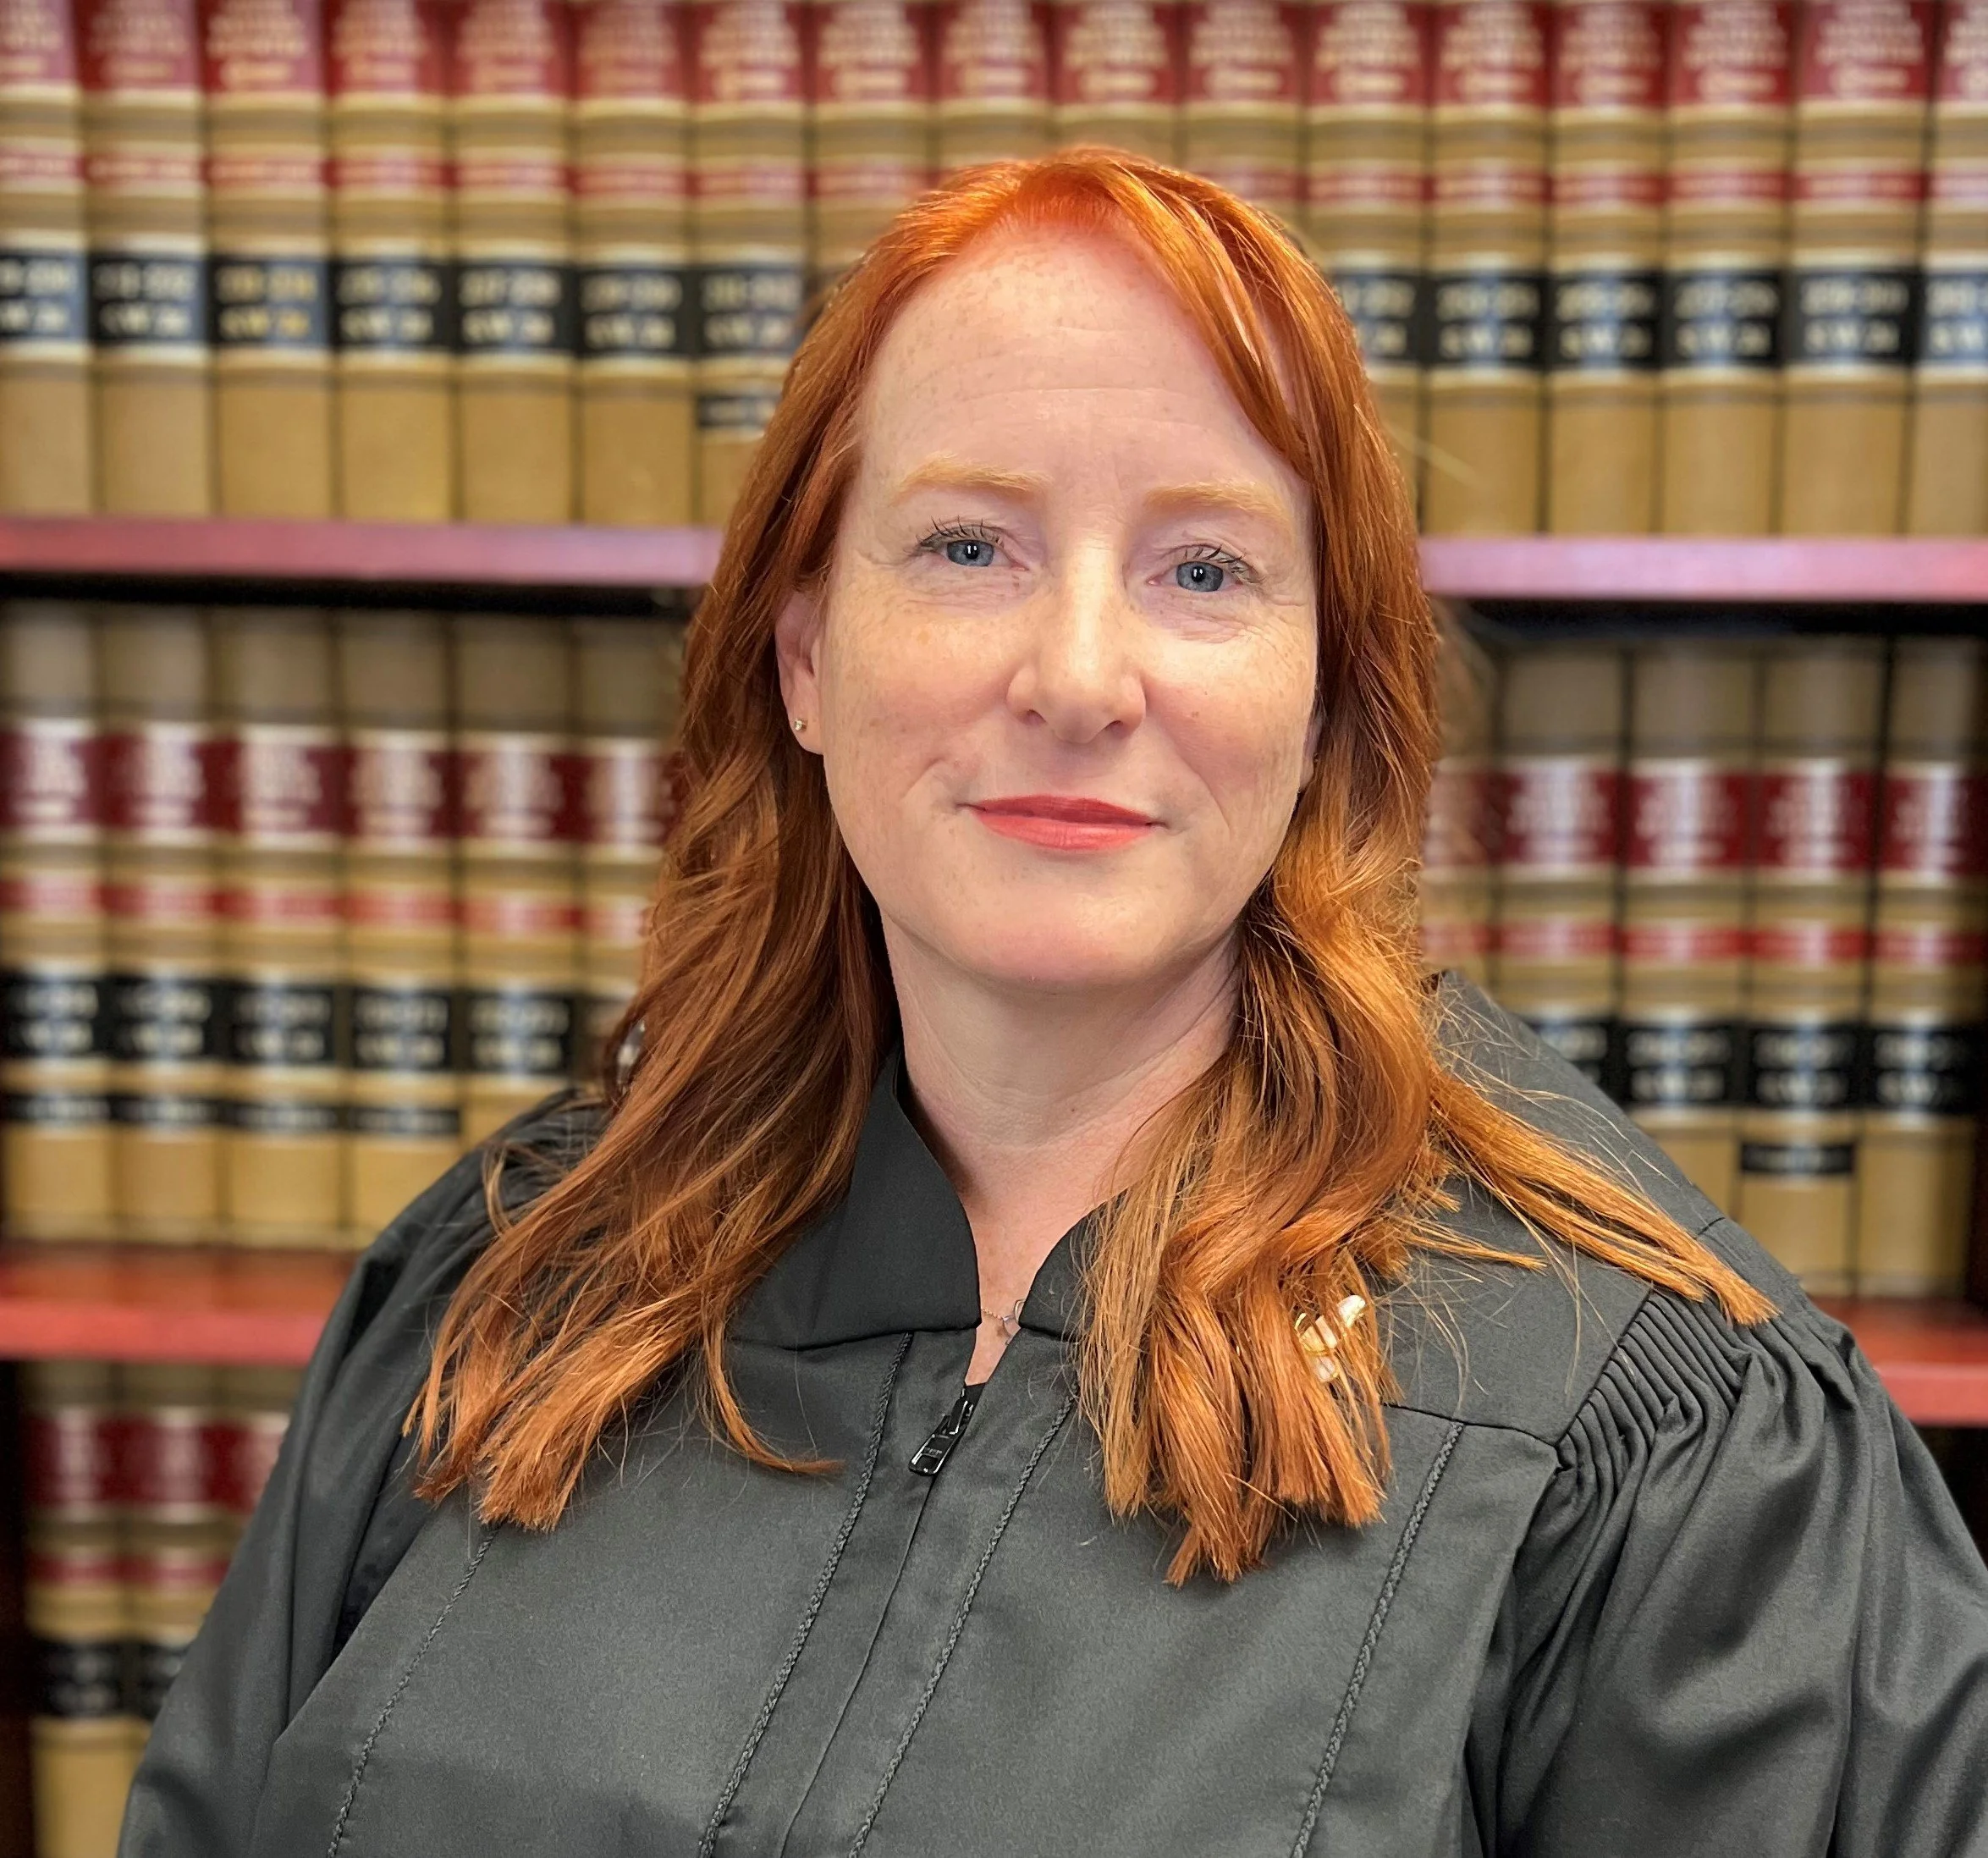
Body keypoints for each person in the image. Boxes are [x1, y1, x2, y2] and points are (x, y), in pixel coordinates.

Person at [121, 150, 1988, 1858]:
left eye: (1204, 568)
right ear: (804, 656)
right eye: (967, 546)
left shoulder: (1654, 1436)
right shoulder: (506, 1290)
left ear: (1322, 700)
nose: (1079, 675)